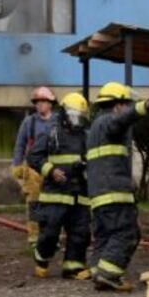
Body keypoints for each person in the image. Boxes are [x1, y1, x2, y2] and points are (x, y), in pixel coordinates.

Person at [86, 82, 149, 292]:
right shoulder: (110, 121)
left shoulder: (96, 126)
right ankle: (108, 275)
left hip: (98, 194)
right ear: (118, 105)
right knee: (127, 234)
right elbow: (121, 121)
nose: (127, 108)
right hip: (114, 193)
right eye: (126, 104)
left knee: (105, 236)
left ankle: (98, 271)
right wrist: (142, 107)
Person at [26, 93, 91, 280]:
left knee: (80, 233)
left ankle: (73, 266)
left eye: (80, 116)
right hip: (55, 195)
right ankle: (41, 258)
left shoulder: (86, 136)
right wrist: (51, 170)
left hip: (79, 194)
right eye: (74, 115)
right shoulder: (51, 132)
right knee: (50, 233)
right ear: (64, 113)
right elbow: (33, 157)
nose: (77, 120)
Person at [12, 86, 56, 247]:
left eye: (43, 101)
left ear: (50, 103)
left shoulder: (58, 122)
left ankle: (51, 235)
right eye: (37, 102)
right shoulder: (29, 122)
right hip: (32, 170)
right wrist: (17, 165)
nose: (39, 104)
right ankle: (34, 236)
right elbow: (20, 144)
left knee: (53, 204)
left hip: (53, 169)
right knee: (34, 204)